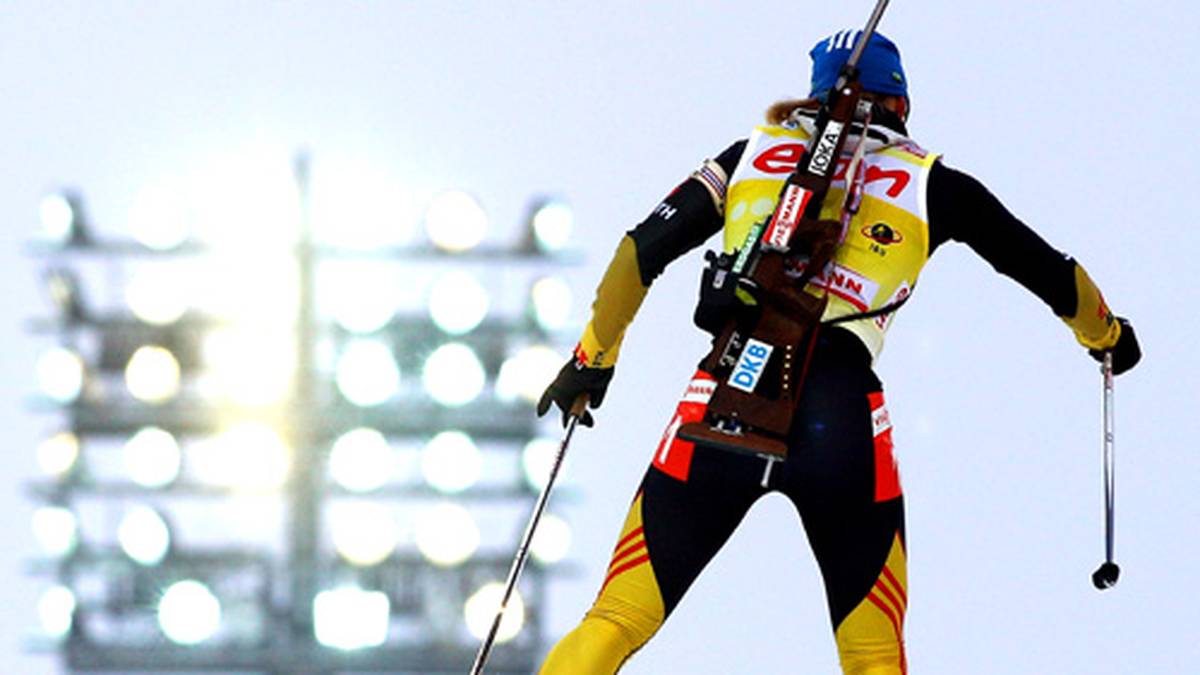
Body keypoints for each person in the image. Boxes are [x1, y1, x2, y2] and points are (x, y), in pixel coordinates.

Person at [534, 30, 1141, 675]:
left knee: (619, 618)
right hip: (842, 413)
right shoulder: (933, 183)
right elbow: (1045, 268)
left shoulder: (749, 156)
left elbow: (637, 254)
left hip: (727, 394)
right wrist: (1106, 335)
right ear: (901, 105)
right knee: (873, 655)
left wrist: (592, 361)